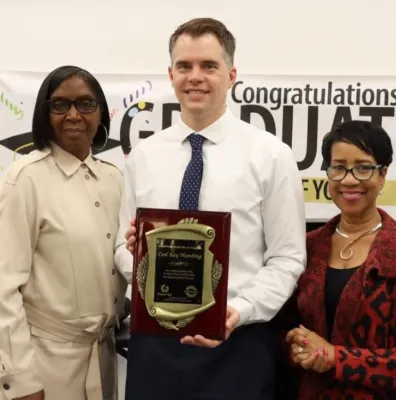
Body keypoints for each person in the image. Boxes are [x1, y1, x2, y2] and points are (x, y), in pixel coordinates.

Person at [114, 17, 307, 399]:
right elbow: (122, 248)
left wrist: (238, 310)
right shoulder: (143, 156)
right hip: (155, 344)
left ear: (232, 74)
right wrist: (139, 259)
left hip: (239, 343)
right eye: (184, 66)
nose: (195, 77)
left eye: (208, 66)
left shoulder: (271, 156)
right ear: (170, 74)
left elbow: (287, 258)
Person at [0, 65, 127, 400]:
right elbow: (3, 287)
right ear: (45, 113)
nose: (73, 115)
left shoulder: (114, 179)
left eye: (85, 104)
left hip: (103, 357)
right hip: (45, 365)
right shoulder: (25, 179)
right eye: (60, 105)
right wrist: (20, 380)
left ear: (101, 112)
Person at [283, 120, 396, 399]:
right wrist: (295, 346)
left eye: (363, 167)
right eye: (338, 167)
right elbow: (282, 329)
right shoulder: (305, 246)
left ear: (382, 175)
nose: (349, 179)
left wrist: (337, 358)